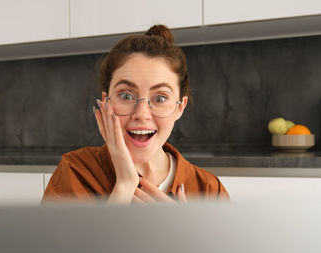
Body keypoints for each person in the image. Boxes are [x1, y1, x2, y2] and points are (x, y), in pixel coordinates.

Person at [43, 25, 229, 204]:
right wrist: (123, 186)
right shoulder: (76, 171)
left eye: (160, 98)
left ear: (180, 107)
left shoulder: (210, 190)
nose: (141, 114)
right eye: (126, 95)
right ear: (107, 102)